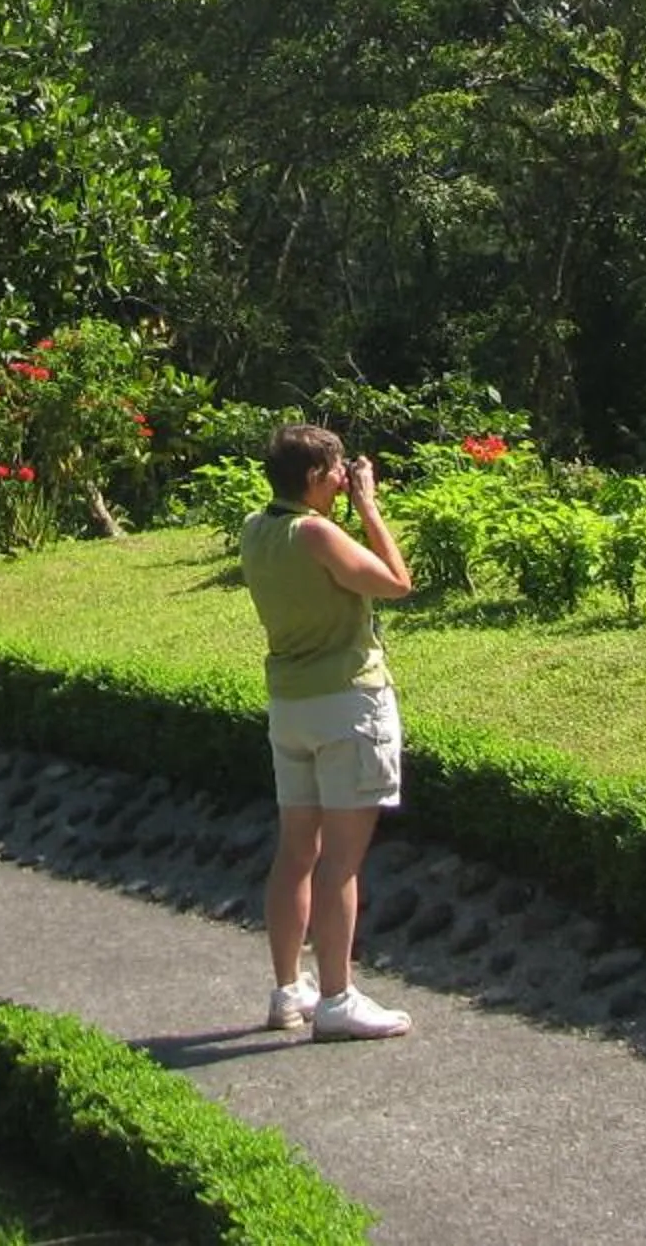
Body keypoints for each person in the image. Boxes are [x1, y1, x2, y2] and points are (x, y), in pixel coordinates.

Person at [239, 421, 416, 1039]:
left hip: (291, 708)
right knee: (340, 861)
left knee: (295, 852)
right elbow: (396, 583)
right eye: (338, 471)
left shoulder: (256, 530)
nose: (345, 479)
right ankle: (338, 999)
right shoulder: (316, 533)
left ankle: (289, 992)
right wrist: (369, 507)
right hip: (348, 704)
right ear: (315, 478)